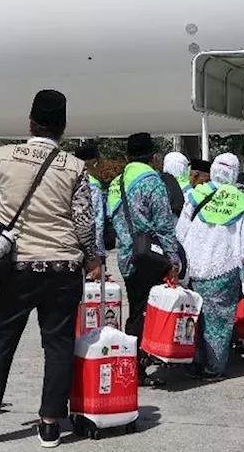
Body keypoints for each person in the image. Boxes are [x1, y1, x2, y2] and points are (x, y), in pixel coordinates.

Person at [0, 89, 100, 447]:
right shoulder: (75, 167)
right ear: (62, 127)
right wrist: (91, 258)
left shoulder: (2, 158)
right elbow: (83, 223)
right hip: (63, 268)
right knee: (58, 344)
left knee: (0, 341)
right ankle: (49, 425)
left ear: (30, 122)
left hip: (17, 268)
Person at [106, 132, 181, 387]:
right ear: (153, 156)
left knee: (136, 311)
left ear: (127, 156)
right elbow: (164, 225)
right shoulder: (152, 182)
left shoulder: (117, 182)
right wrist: (173, 262)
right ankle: (142, 362)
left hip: (127, 257)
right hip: (150, 256)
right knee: (150, 311)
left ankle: (132, 364)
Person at [175, 153, 244, 380]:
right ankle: (213, 367)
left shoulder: (196, 195)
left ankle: (194, 360)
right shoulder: (241, 201)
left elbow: (181, 231)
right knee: (219, 322)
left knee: (195, 317)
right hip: (224, 268)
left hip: (194, 267)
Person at [73, 142, 109, 258]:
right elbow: (97, 221)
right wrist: (97, 253)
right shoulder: (93, 185)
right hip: (90, 249)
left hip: (72, 244)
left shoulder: (71, 180)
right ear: (94, 163)